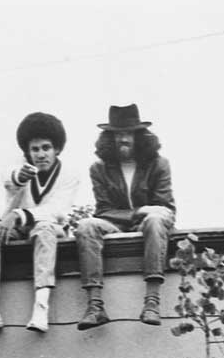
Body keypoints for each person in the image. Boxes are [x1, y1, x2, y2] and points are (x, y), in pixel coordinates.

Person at [0, 113, 87, 334]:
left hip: (50, 228)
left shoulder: (70, 173)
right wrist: (19, 178)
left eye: (46, 148)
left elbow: (57, 211)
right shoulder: (19, 166)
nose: (41, 154)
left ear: (57, 149)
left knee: (44, 228)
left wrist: (18, 214)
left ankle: (41, 307)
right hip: (20, 228)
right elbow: (8, 180)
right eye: (35, 149)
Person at [74, 105, 175, 329]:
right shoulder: (99, 168)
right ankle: (95, 306)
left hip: (155, 220)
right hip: (118, 223)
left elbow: (163, 206)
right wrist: (137, 213)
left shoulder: (159, 164)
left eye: (128, 133)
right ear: (109, 138)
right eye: (118, 134)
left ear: (139, 136)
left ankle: (152, 302)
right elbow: (103, 211)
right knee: (86, 226)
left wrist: (145, 214)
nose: (123, 139)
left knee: (155, 219)